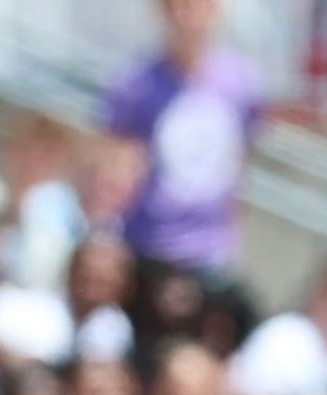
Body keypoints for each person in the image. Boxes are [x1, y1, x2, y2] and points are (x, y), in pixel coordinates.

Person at [100, 0, 263, 300]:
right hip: (148, 246)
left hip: (212, 251)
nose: (188, 16)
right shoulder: (136, 85)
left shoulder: (241, 83)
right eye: (178, 5)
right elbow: (115, 171)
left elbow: (241, 164)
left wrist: (232, 235)